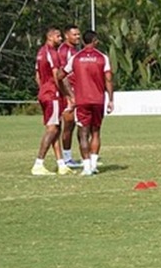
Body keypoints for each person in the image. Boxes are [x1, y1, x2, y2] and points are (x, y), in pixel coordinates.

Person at [57, 30, 113, 176]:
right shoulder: (103, 58)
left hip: (82, 100)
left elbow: (60, 76)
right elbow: (108, 79)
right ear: (95, 41)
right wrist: (111, 99)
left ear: (83, 41)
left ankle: (87, 167)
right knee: (96, 132)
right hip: (98, 99)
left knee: (83, 133)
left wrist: (68, 94)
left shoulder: (75, 58)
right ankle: (93, 165)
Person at [32, 27, 70, 176]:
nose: (61, 39)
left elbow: (37, 75)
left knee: (56, 128)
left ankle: (61, 164)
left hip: (45, 93)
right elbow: (57, 76)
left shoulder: (40, 52)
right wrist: (67, 94)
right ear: (50, 37)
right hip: (52, 94)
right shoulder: (52, 53)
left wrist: (42, 90)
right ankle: (38, 163)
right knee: (53, 129)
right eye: (58, 36)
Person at [55, 24, 82, 168]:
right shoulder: (64, 51)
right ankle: (66, 158)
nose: (78, 37)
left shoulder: (73, 50)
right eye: (75, 34)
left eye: (78, 34)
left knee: (79, 124)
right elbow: (61, 74)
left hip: (75, 90)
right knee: (68, 124)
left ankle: (80, 156)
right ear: (67, 35)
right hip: (68, 92)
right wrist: (68, 95)